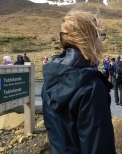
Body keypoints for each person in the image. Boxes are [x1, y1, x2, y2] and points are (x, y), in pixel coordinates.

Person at [41, 10, 116, 154]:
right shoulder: (91, 87)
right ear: (87, 38)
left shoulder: (50, 78)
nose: (101, 42)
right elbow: (98, 147)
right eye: (99, 35)